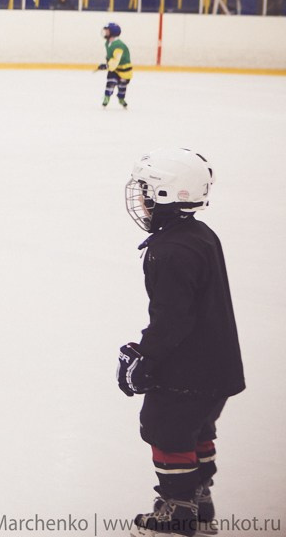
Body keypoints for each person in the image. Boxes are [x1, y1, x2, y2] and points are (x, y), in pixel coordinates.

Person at [118, 148, 243, 537]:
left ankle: (179, 511)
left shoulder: (168, 251)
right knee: (196, 430)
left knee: (165, 428)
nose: (140, 198)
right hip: (217, 367)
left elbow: (172, 319)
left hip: (187, 371)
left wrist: (145, 357)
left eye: (146, 190)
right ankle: (199, 503)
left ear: (166, 194)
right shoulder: (198, 235)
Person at [99, 22, 132, 108]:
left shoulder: (118, 45)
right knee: (110, 82)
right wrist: (107, 63)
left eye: (107, 31)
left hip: (124, 70)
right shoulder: (107, 43)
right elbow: (110, 57)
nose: (105, 32)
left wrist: (107, 66)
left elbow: (116, 59)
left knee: (122, 86)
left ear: (112, 32)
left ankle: (121, 98)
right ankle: (106, 97)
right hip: (114, 69)